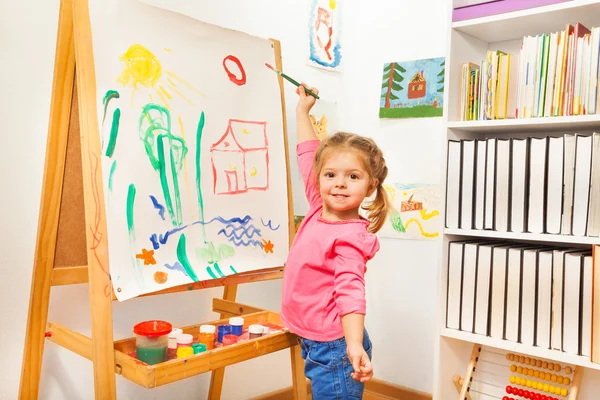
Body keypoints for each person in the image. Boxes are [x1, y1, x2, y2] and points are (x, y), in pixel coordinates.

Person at [281, 84, 391, 399]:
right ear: (320, 178)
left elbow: (351, 291)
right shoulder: (318, 207)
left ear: (371, 186)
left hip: (335, 348)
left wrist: (354, 345)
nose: (339, 183)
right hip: (316, 340)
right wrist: (303, 111)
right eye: (331, 175)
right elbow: (307, 155)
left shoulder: (350, 237)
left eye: (352, 177)